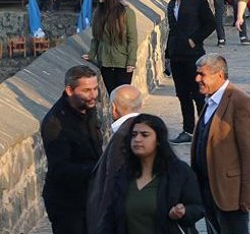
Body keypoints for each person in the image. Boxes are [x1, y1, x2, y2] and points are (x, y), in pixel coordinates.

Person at [191, 54, 250, 233]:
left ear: (220, 76)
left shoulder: (239, 101)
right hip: (208, 189)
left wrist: (247, 195)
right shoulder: (210, 100)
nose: (197, 79)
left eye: (202, 75)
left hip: (231, 194)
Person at [101, 114, 205, 233]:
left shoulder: (178, 172)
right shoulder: (123, 174)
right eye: (134, 135)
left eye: (145, 135)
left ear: (158, 140)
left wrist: (183, 212)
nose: (137, 139)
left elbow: (198, 208)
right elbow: (110, 217)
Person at [41, 66, 102, 234]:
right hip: (67, 203)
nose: (93, 95)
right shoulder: (55, 124)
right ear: (69, 90)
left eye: (95, 89)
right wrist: (99, 168)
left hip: (90, 196)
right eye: (87, 90)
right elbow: (60, 169)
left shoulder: (88, 107)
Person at [165, 0, 215, 144]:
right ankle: (188, 129)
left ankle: (204, 129)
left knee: (198, 94)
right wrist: (167, 54)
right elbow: (172, 30)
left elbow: (210, 24)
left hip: (194, 56)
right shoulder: (171, 4)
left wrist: (194, 39)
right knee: (182, 94)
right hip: (177, 56)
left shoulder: (198, 2)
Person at [86, 85, 143, 233]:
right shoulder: (149, 131)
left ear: (113, 108)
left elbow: (112, 184)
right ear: (141, 105)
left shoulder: (123, 136)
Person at [83, 0, 137, 92]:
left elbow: (132, 39)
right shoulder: (98, 13)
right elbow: (96, 38)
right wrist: (91, 54)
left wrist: (131, 61)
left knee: (122, 98)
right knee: (112, 96)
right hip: (105, 63)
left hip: (122, 63)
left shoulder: (126, 13)